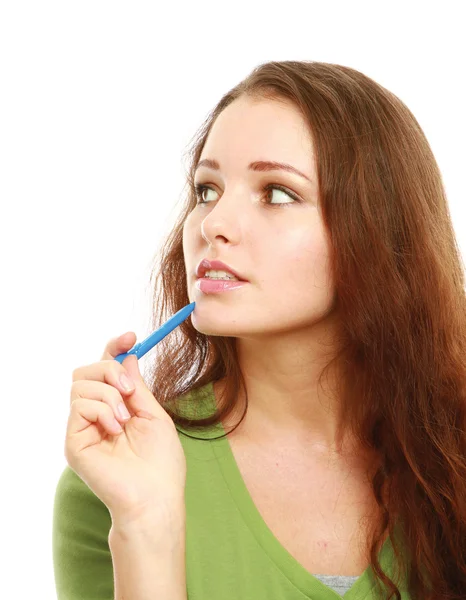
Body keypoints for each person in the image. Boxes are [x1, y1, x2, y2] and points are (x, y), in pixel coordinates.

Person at [53, 60, 466, 600]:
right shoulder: (113, 483)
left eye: (275, 193)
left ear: (378, 228)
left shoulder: (452, 458)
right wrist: (147, 526)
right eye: (206, 190)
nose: (212, 224)